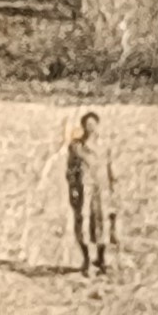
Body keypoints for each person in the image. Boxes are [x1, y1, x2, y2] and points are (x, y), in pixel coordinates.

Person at [64, 111, 118, 276]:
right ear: (83, 127)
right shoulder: (76, 147)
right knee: (84, 222)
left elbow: (110, 170)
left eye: (93, 124)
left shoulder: (105, 146)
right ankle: (87, 260)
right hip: (84, 190)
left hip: (101, 190)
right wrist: (73, 189)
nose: (91, 127)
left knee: (102, 223)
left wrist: (113, 190)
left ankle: (101, 261)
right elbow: (71, 170)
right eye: (88, 125)